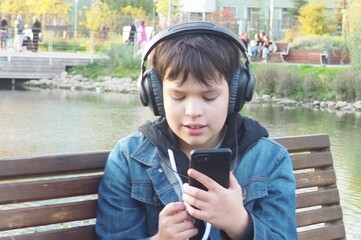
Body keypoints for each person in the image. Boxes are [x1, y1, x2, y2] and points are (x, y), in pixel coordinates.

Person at [96, 21, 297, 240]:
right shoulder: (128, 159)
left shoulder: (270, 159)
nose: (193, 111)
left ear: (236, 94)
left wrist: (240, 224)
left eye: (209, 97)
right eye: (178, 96)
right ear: (155, 95)